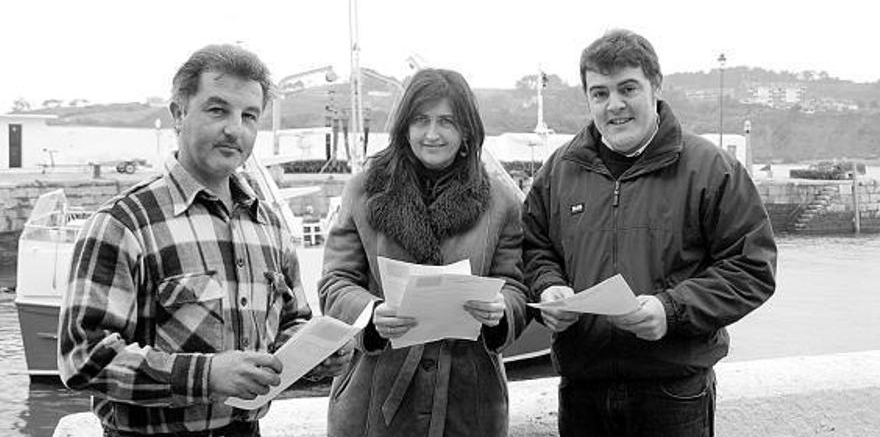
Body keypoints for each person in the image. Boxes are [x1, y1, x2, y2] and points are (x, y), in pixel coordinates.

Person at [58, 44, 352, 437]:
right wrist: (207, 375)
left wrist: (317, 354)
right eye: (218, 110)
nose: (235, 129)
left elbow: (290, 321)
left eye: (249, 116)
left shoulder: (269, 224)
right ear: (178, 114)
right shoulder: (123, 223)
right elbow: (83, 357)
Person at [522, 29, 777, 437]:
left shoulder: (712, 169)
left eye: (627, 88)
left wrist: (671, 310)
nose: (614, 105)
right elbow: (534, 246)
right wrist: (549, 286)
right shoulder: (559, 170)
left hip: (673, 392)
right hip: (582, 389)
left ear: (656, 86)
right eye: (600, 93)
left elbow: (752, 268)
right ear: (587, 98)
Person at [318, 68, 529, 437]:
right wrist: (371, 314)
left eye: (447, 121)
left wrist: (502, 309)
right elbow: (335, 282)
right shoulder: (364, 191)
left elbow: (516, 285)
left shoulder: (501, 201)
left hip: (469, 400)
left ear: (467, 130)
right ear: (405, 126)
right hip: (374, 397)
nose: (432, 134)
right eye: (421, 120)